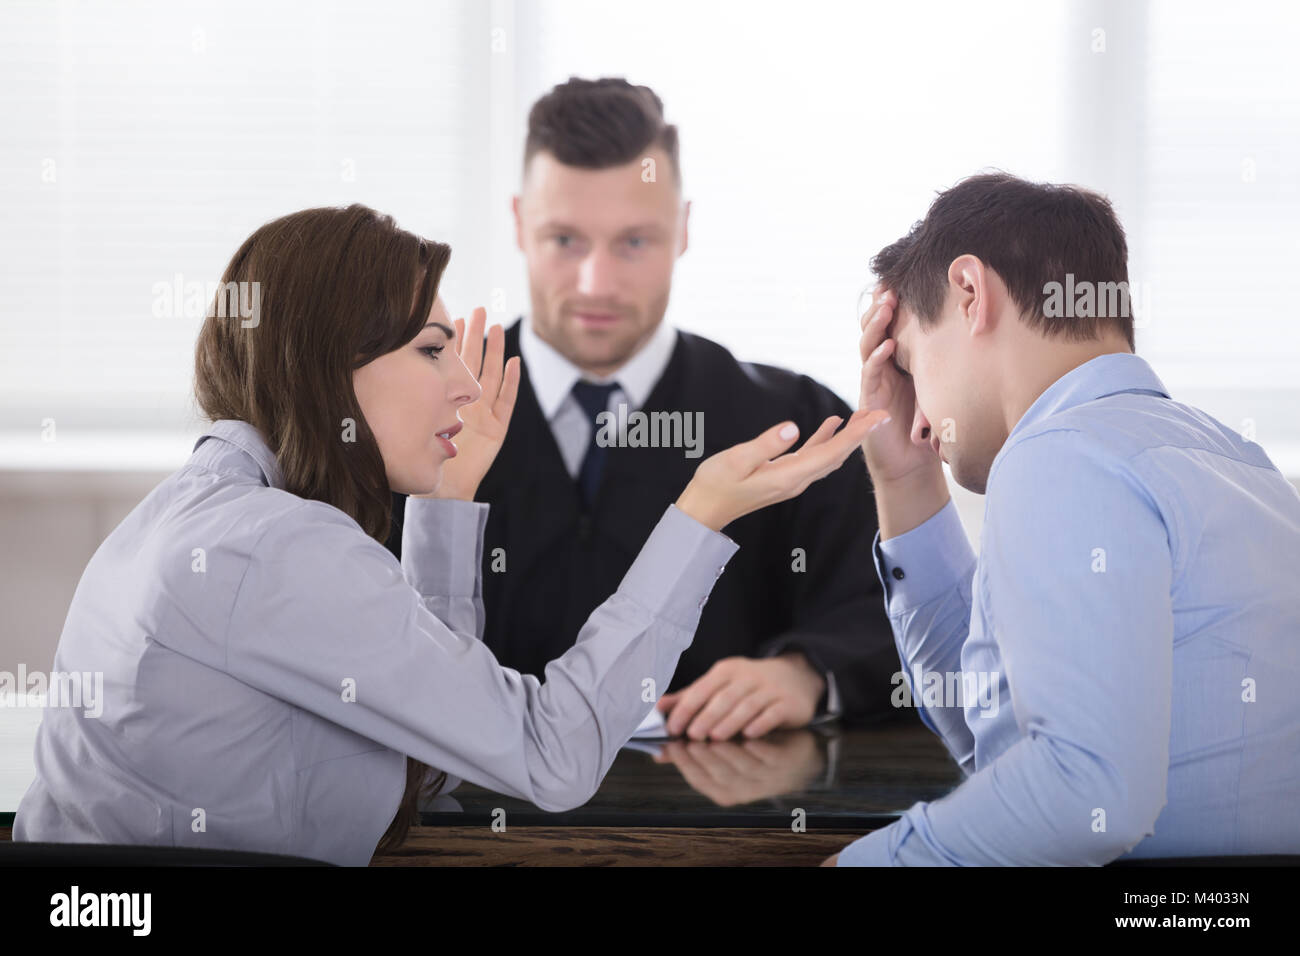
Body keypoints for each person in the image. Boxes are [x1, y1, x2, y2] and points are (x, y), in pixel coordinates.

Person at [11, 203, 882, 866]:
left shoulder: (201, 512)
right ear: (328, 366)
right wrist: (700, 515)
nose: (467, 383)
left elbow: (435, 743)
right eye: (434, 350)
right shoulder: (277, 548)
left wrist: (448, 507)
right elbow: (550, 755)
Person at [387, 77, 900, 737]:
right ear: (518, 223)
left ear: (682, 229)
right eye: (565, 240)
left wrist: (807, 671)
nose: (596, 283)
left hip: (721, 817)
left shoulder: (790, 423)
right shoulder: (415, 408)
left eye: (634, 242)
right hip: (458, 821)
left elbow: (896, 611)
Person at [828, 172, 1300, 865]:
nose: (919, 417)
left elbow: (1085, 796)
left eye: (909, 362)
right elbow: (1003, 739)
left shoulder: (1062, 455)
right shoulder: (1243, 465)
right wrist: (905, 479)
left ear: (969, 294)